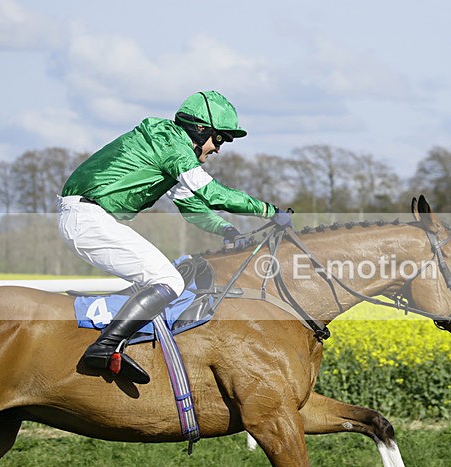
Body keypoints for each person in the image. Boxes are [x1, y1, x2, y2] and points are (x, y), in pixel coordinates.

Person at [58, 90, 291, 385]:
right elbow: (213, 194)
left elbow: (192, 206)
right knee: (169, 281)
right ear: (200, 130)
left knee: (158, 280)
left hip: (90, 218)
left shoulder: (168, 145)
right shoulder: (174, 146)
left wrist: (227, 230)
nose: (218, 149)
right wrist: (268, 210)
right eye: (219, 139)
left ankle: (115, 343)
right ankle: (104, 347)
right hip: (88, 219)